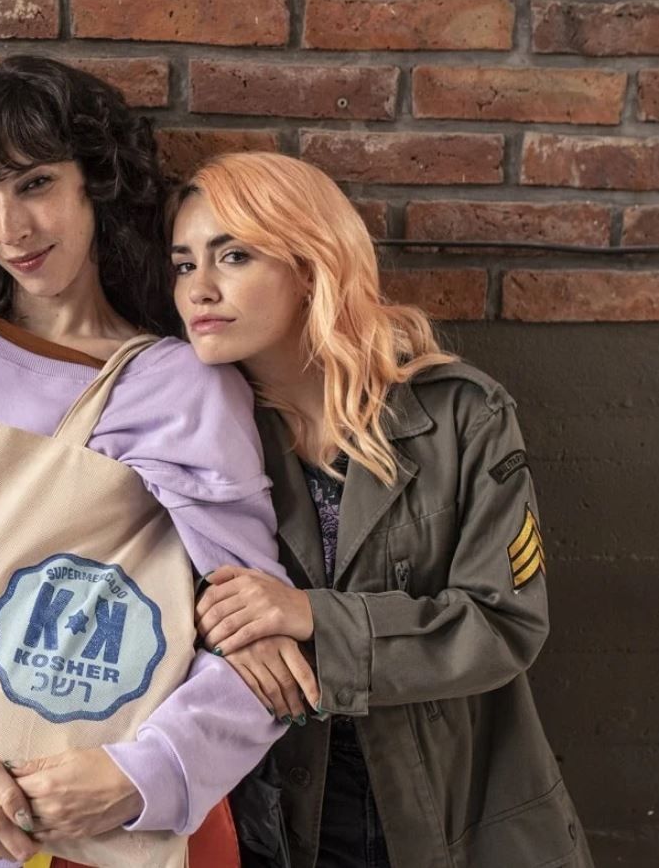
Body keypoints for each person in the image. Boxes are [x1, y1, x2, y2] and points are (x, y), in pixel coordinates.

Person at [0, 56, 294, 867]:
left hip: (138, 820)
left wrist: (137, 774)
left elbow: (258, 641)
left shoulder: (183, 383)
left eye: (35, 183)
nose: (10, 227)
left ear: (95, 183)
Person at [170, 151, 594, 868]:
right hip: (274, 822)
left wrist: (309, 614)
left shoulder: (462, 415)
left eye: (233, 255)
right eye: (183, 264)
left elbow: (505, 622)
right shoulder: (188, 434)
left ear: (311, 266)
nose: (199, 289)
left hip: (456, 820)